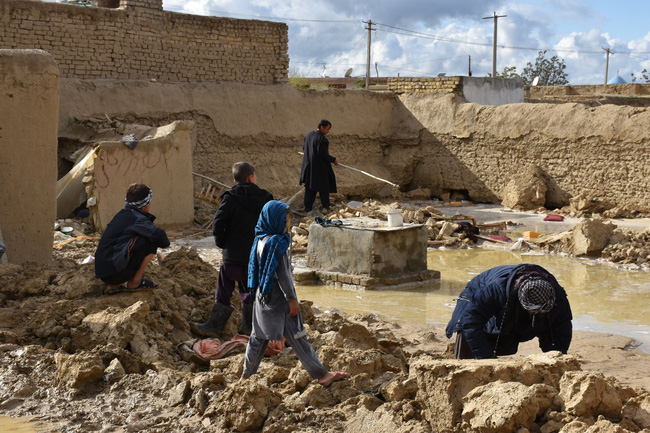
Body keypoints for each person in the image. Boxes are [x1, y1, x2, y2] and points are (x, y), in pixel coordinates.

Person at [241, 200, 347, 387]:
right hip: (279, 299)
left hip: (262, 296)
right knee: (298, 337)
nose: (288, 225)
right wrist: (291, 299)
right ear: (274, 220)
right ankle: (321, 374)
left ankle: (246, 376)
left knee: (257, 337)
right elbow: (284, 277)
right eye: (285, 221)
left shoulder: (260, 240)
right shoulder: (277, 244)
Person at [195, 162, 273, 337]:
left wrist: (223, 244)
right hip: (255, 255)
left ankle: (214, 326)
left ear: (235, 179)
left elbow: (218, 224)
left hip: (232, 255)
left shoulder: (229, 197)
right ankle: (249, 326)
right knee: (249, 290)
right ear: (251, 177)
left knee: (224, 289)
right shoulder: (266, 198)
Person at [445, 264, 572, 359]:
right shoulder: (496, 290)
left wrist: (554, 357)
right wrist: (487, 359)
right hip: (478, 291)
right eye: (532, 311)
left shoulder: (557, 296)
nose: (536, 314)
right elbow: (471, 321)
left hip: (513, 304)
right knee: (464, 325)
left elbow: (562, 327)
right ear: (522, 301)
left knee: (544, 322)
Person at [95, 183, 169, 295]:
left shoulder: (121, 215)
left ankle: (113, 286)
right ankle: (135, 282)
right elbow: (163, 240)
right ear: (147, 204)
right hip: (116, 273)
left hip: (103, 273)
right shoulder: (138, 219)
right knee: (150, 240)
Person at [299, 119, 339, 213]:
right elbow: (323, 154)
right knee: (324, 188)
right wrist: (334, 160)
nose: (328, 132)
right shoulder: (322, 139)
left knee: (310, 188)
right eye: (327, 129)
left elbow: (304, 148)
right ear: (322, 127)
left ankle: (307, 208)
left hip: (309, 167)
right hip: (319, 169)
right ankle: (326, 207)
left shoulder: (309, 135)